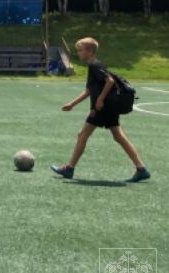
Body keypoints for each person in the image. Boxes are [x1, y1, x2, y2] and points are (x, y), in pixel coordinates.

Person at [50, 37, 150, 182]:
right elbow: (89, 91)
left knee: (83, 135)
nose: (78, 53)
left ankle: (69, 169)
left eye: (80, 50)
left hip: (102, 108)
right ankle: (141, 169)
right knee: (118, 136)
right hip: (108, 108)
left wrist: (100, 100)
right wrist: (72, 104)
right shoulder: (95, 66)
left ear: (90, 52)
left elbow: (110, 81)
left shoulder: (95, 66)